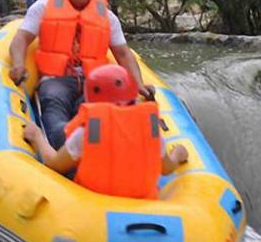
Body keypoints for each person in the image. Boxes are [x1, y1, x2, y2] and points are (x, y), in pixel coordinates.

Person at [9, 0, 154, 150]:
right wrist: (18, 64)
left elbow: (123, 53)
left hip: (94, 82)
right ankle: (61, 144)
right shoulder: (42, 7)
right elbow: (21, 39)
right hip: (55, 80)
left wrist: (138, 83)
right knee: (53, 106)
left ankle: (98, 149)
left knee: (99, 113)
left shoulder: (108, 17)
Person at [24, 65, 188, 198]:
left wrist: (37, 137)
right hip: (142, 206)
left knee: (56, 123)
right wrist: (178, 154)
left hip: (94, 205)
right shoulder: (150, 128)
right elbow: (166, 168)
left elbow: (55, 165)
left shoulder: (88, 131)